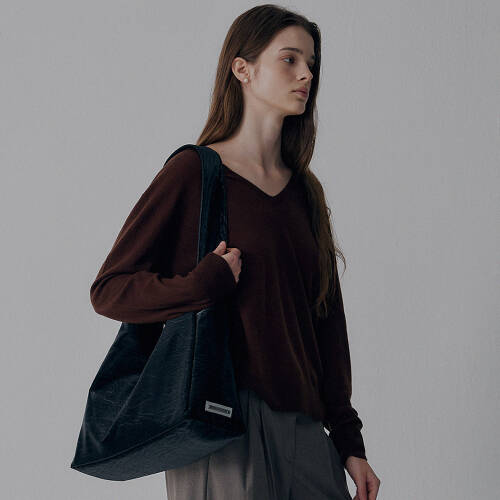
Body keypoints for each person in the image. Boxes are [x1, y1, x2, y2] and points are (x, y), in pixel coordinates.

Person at [90, 4, 381, 499]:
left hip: (306, 431)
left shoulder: (304, 192)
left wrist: (349, 441)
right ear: (242, 69)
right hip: (221, 426)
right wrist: (202, 285)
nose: (307, 75)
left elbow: (326, 321)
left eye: (311, 63)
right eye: (289, 59)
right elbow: (110, 290)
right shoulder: (194, 174)